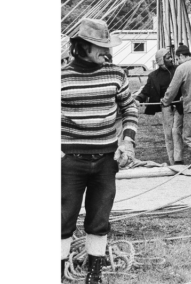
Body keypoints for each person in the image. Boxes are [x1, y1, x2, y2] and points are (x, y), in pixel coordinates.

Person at [61, 18, 138, 283]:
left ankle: (94, 275)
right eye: (98, 46)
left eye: (107, 46)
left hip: (106, 161)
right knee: (62, 220)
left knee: (99, 219)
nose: (105, 52)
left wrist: (127, 141)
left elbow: (130, 108)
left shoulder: (116, 73)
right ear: (81, 46)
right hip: (69, 161)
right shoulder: (60, 76)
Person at [135, 48, 185, 165]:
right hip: (165, 107)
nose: (171, 59)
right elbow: (146, 90)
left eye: (171, 57)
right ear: (160, 60)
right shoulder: (153, 76)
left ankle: (179, 160)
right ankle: (172, 161)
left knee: (175, 131)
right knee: (168, 134)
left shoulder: (178, 70)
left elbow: (186, 84)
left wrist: (184, 95)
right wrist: (138, 99)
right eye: (168, 58)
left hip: (179, 105)